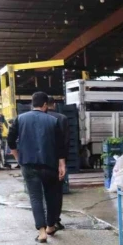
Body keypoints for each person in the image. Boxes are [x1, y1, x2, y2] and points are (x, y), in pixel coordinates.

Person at [7, 92, 65, 243]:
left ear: (32, 104)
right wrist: (62, 164)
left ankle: (41, 232)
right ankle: (51, 226)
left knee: (35, 197)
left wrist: (17, 157)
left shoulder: (20, 119)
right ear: (45, 105)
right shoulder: (53, 120)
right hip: (49, 164)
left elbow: (10, 140)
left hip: (29, 164)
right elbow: (60, 145)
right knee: (51, 196)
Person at [47, 96, 69, 231]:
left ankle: (46, 222)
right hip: (57, 160)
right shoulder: (62, 118)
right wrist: (64, 161)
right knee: (56, 192)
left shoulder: (37, 118)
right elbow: (66, 141)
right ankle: (55, 220)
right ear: (53, 104)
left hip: (41, 160)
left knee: (44, 193)